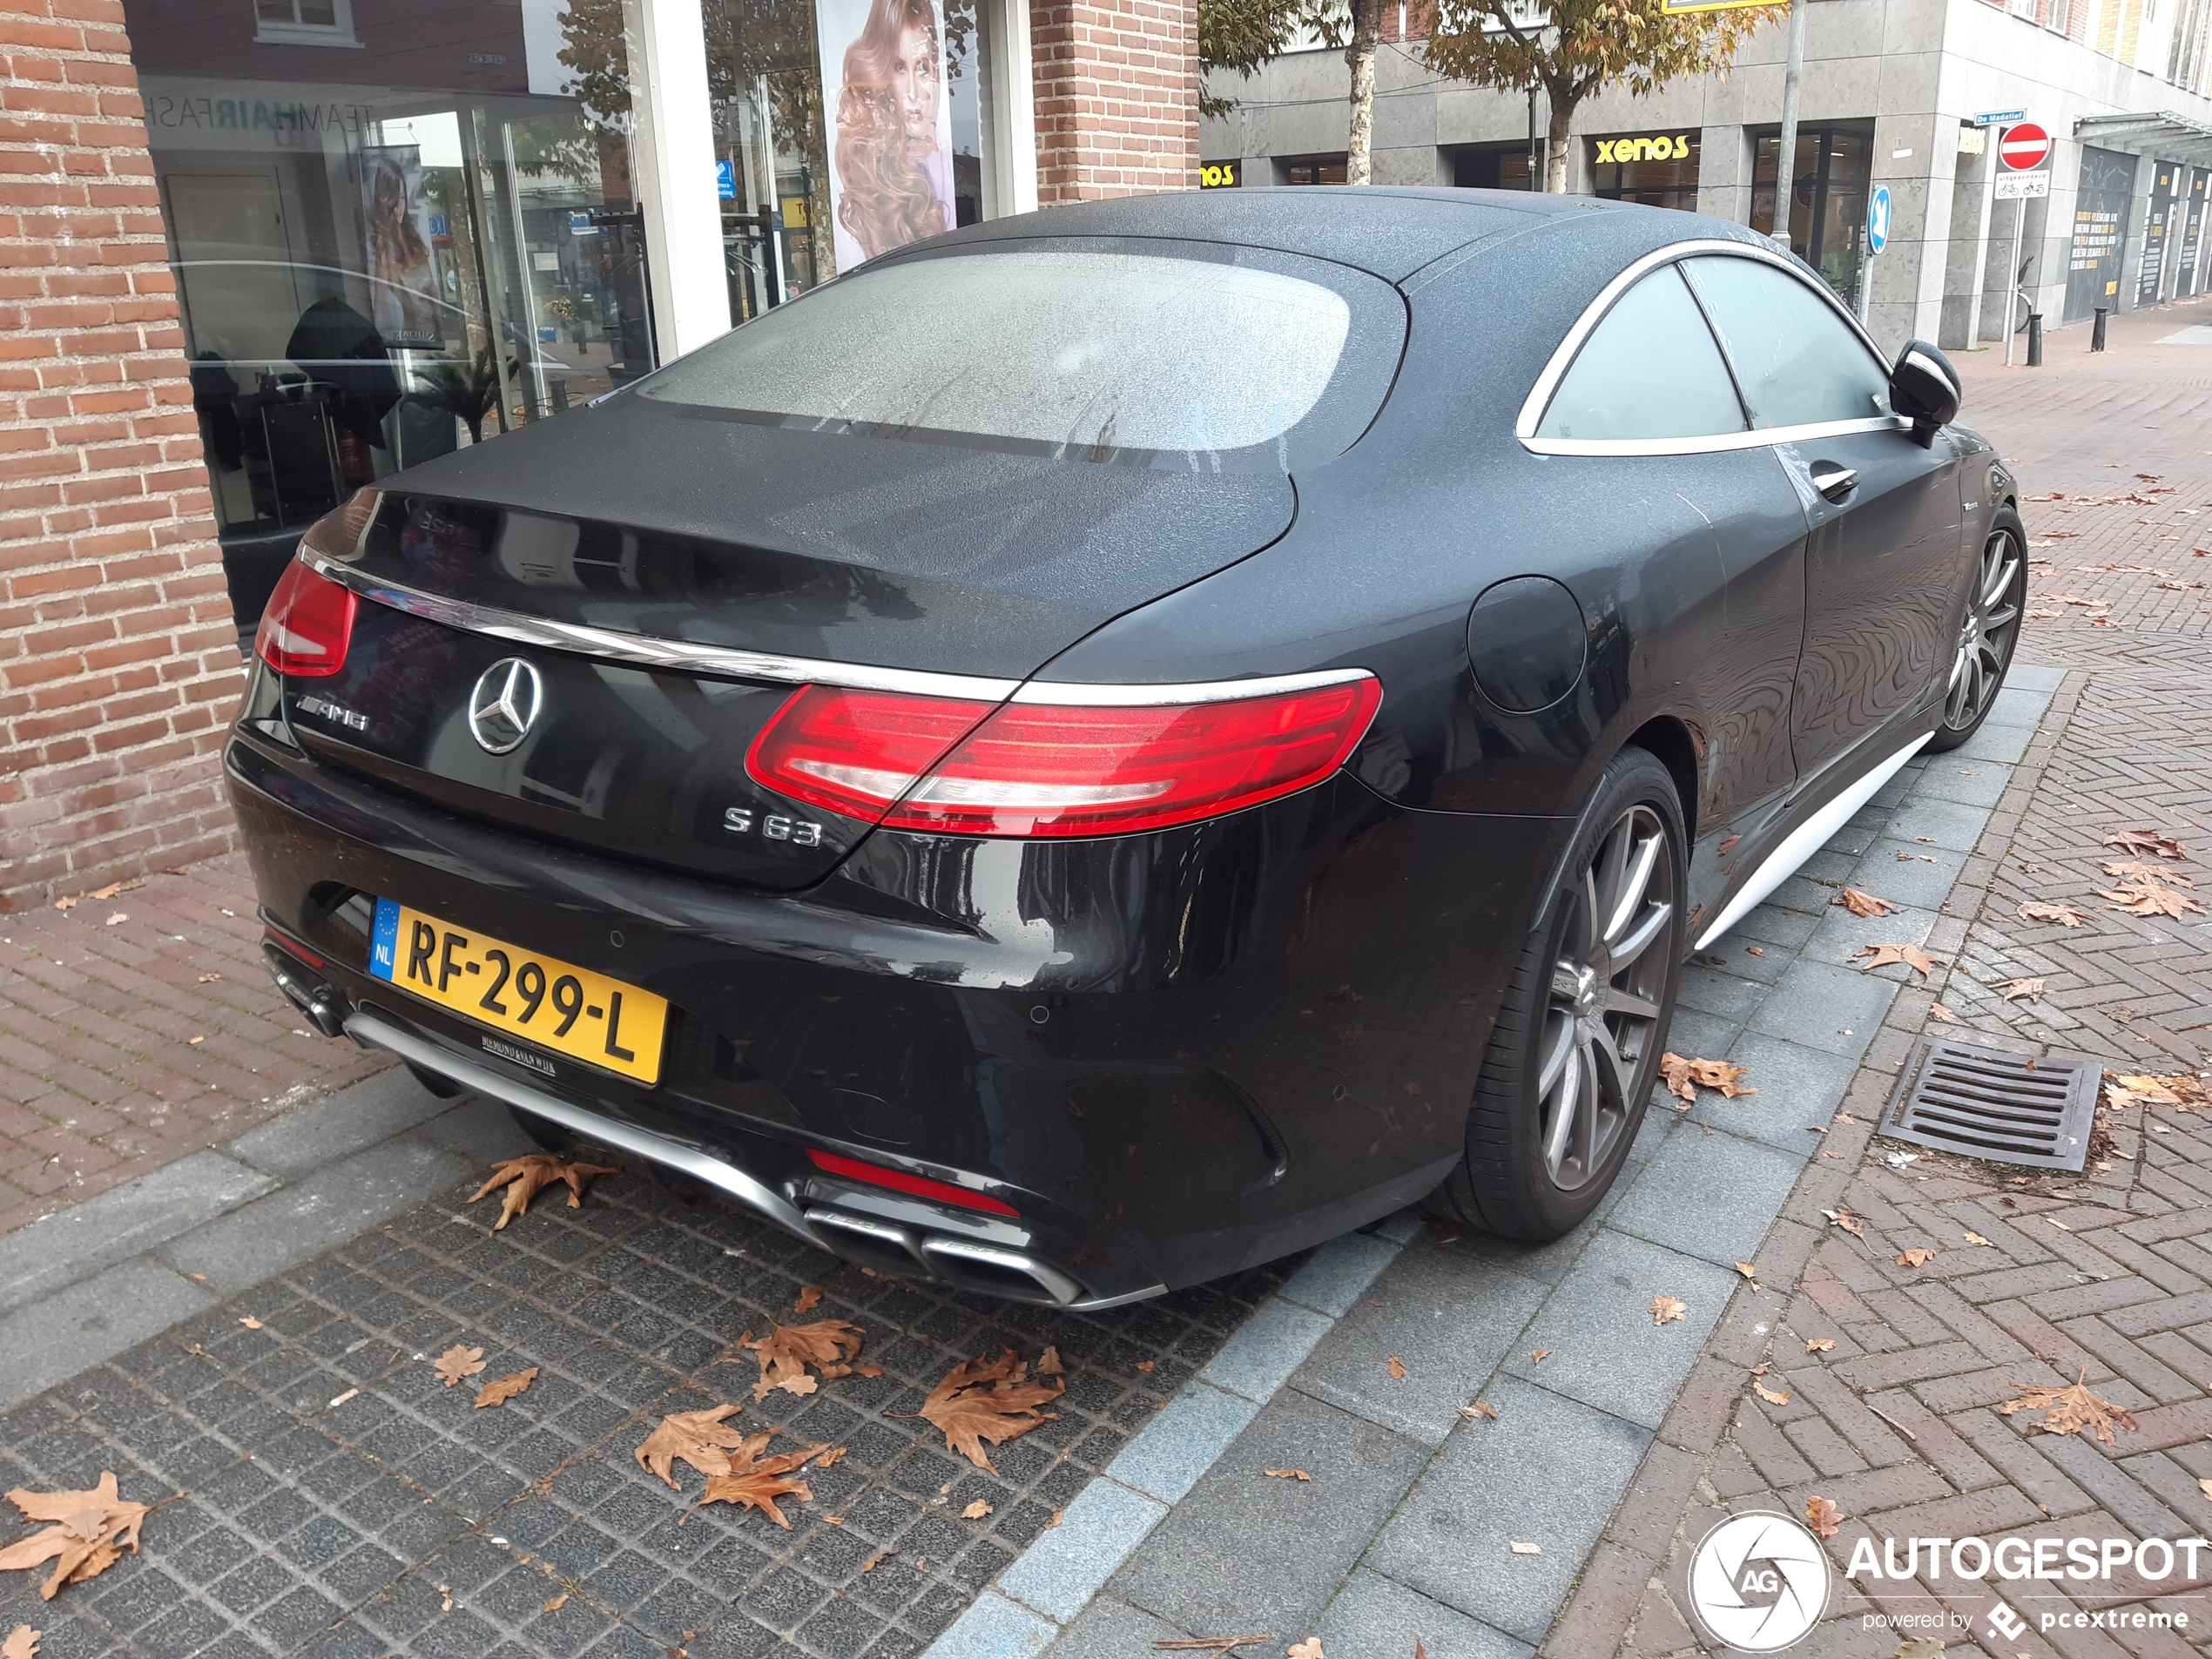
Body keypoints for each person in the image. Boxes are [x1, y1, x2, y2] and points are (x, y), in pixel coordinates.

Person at [833, 0, 954, 262]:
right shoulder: (870, 180)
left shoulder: (943, 164)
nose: (912, 91)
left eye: (922, 68)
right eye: (899, 68)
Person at [363, 152, 441, 347]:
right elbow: (379, 304)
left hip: (435, 335)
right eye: (394, 200)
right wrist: (377, 346)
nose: (399, 207)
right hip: (418, 337)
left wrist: (442, 329)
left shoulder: (414, 239)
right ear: (385, 201)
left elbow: (433, 291)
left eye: (403, 198)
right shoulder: (385, 252)